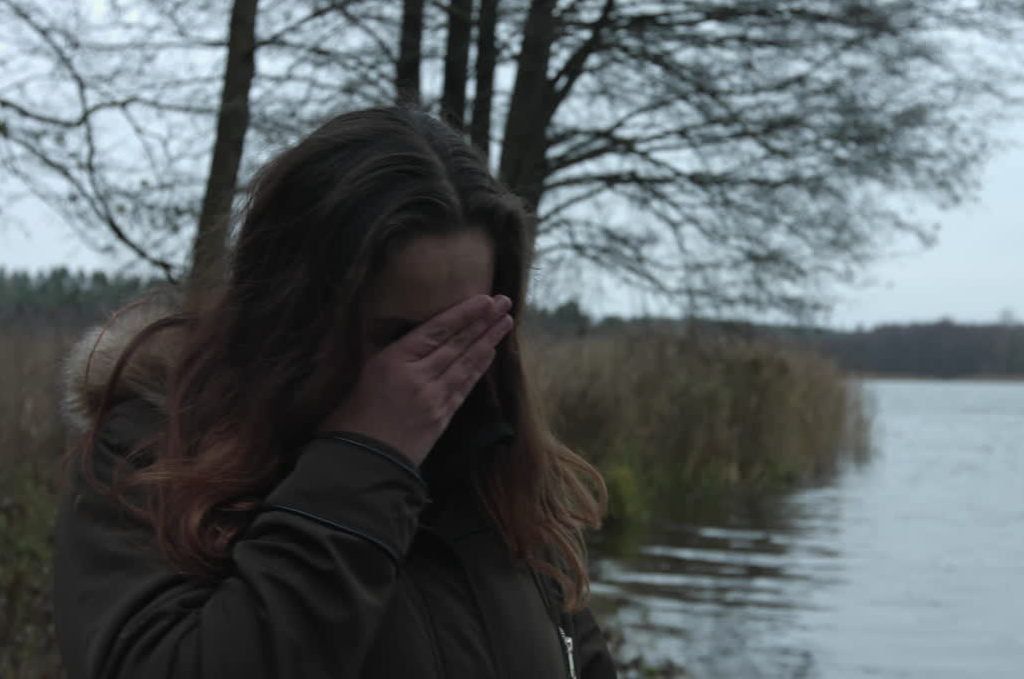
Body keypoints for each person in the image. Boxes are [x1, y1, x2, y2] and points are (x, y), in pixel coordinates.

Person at [52, 106, 616, 678]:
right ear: (292, 317)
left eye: (469, 332)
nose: (444, 374)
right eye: (398, 338)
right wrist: (367, 461)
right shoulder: (157, 458)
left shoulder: (496, 478)